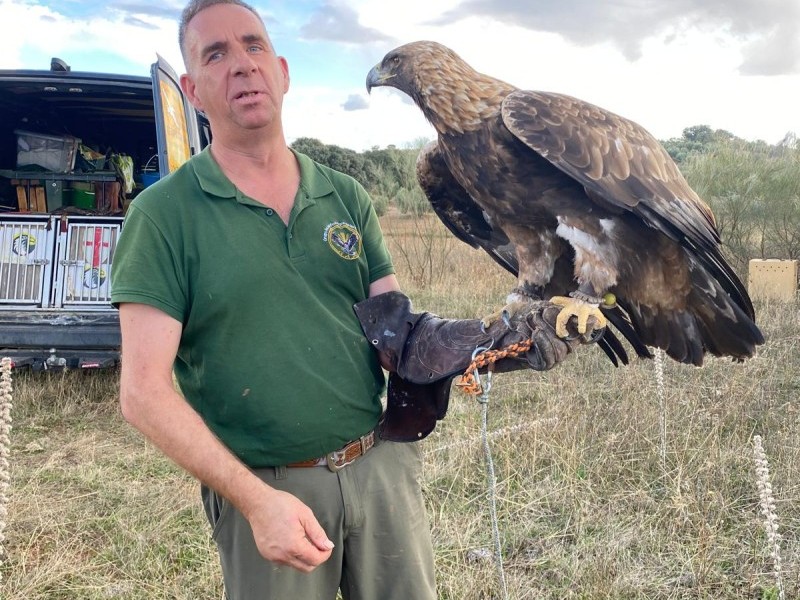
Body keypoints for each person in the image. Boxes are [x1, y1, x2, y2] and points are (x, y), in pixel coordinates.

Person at [110, 1, 589, 598]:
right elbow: (143, 393)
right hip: (268, 486)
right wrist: (258, 502)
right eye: (216, 54)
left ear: (283, 71)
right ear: (192, 88)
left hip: (380, 466)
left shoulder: (343, 194)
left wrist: (499, 343)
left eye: (253, 46)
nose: (241, 66)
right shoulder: (162, 216)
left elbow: (399, 335)